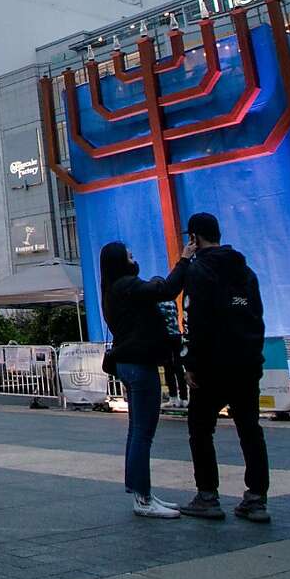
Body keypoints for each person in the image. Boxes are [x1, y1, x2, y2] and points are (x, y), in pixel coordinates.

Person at [174, 213, 271, 523]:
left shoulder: (198, 270)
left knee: (200, 430)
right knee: (250, 430)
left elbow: (193, 319)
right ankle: (256, 498)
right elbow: (257, 315)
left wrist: (191, 363)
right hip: (246, 362)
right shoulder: (245, 270)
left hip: (212, 365)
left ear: (194, 238)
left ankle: (207, 495)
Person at [100, 242, 188, 519]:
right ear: (119, 261)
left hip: (129, 362)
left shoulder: (114, 289)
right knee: (142, 432)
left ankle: (141, 491)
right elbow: (165, 290)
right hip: (139, 363)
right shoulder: (127, 285)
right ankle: (143, 496)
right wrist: (183, 261)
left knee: (137, 431)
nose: (133, 257)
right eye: (129, 255)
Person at [158, 299, 188, 407]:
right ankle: (184, 398)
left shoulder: (158, 302)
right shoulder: (173, 301)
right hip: (176, 335)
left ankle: (173, 397)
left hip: (165, 337)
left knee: (168, 368)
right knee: (179, 367)